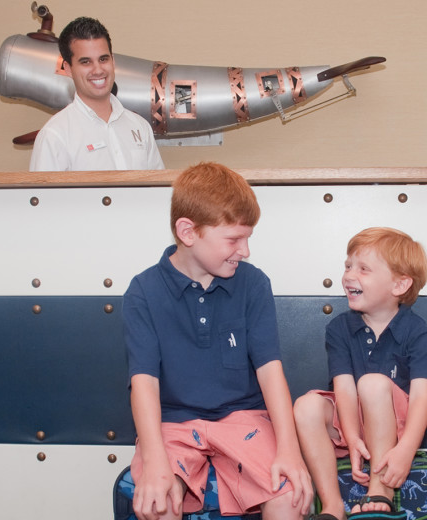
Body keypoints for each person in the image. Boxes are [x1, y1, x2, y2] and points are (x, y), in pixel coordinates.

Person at [123, 162, 311, 520]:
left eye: (248, 238)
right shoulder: (143, 291)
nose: (245, 251)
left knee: (290, 497)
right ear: (188, 232)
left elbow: (271, 371)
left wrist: (290, 449)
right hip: (173, 423)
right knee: (158, 502)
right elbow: (143, 382)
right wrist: (156, 461)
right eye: (234, 239)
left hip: (244, 418)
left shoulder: (253, 284)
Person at [293, 227, 427, 520]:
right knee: (306, 405)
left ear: (399, 285)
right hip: (353, 418)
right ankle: (331, 505)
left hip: (395, 427)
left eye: (363, 269)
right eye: (348, 266)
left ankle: (380, 488)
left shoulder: (418, 331)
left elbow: (422, 397)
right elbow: (343, 387)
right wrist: (351, 435)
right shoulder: (339, 328)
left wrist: (407, 449)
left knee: (371, 384)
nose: (349, 275)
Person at [30, 17, 164, 171]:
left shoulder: (140, 127)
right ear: (67, 68)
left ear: (113, 61)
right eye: (85, 62)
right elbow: (44, 195)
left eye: (103, 59)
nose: (98, 70)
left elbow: (157, 192)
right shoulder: (54, 135)